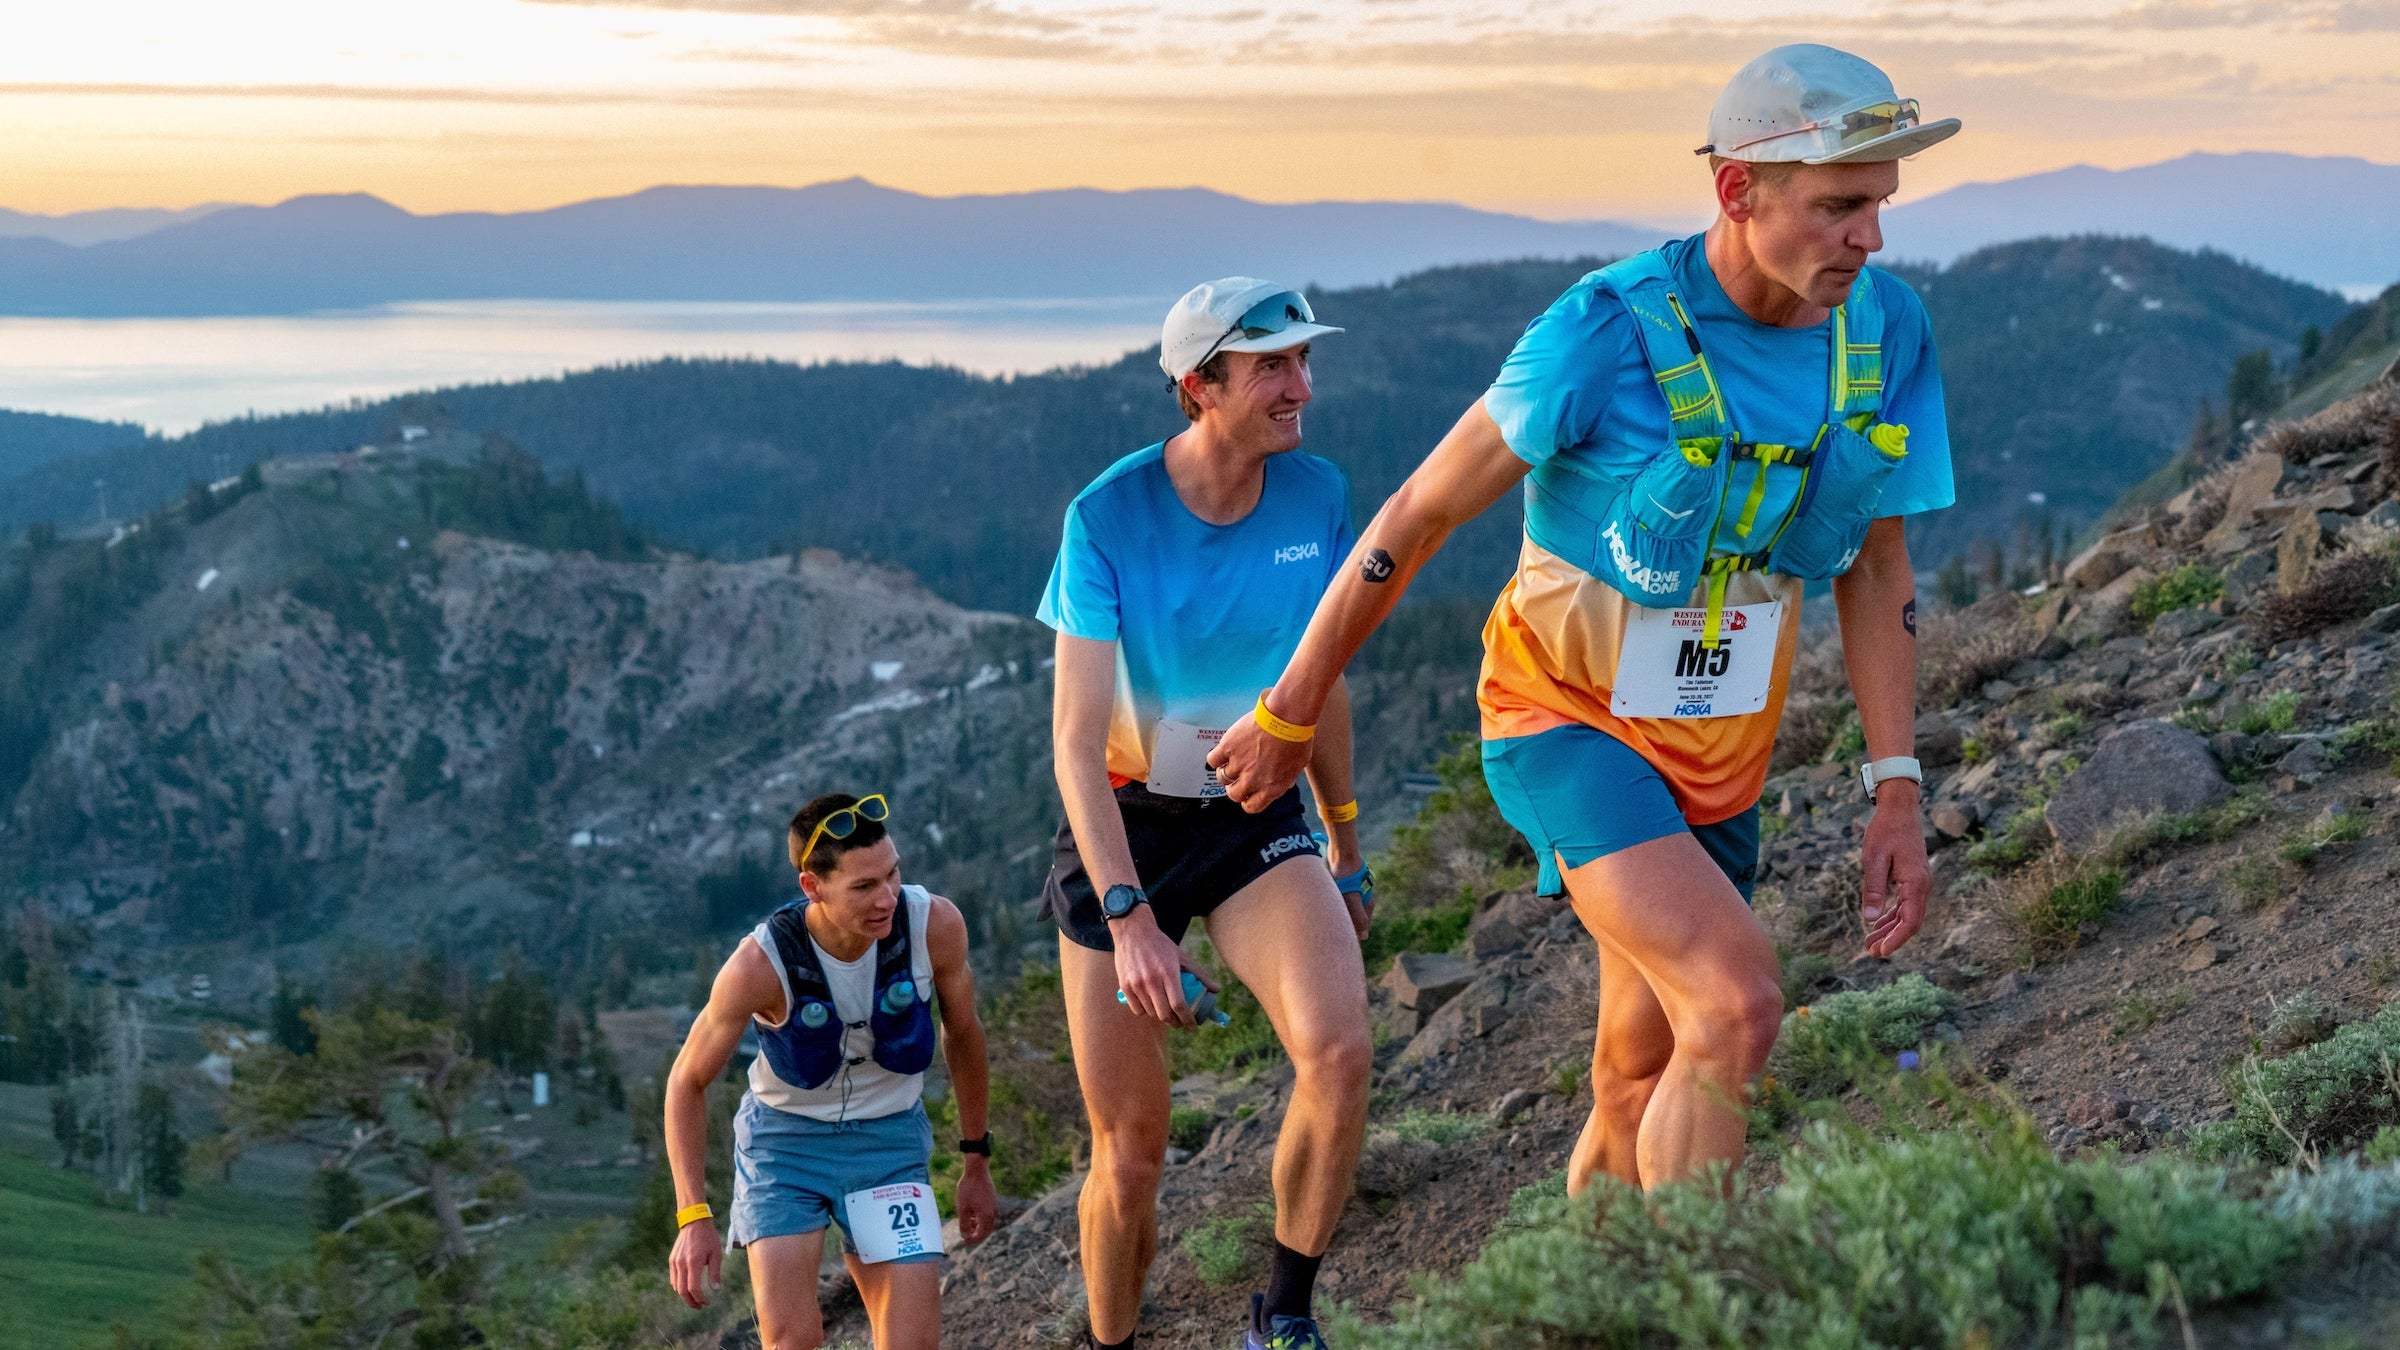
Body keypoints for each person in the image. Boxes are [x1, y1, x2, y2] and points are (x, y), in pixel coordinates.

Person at [1210, 44, 1958, 1199]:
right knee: (1738, 1000)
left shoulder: (1887, 331)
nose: (1871, 240)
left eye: (1879, 208)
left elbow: (1877, 563)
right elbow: (1416, 514)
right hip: (1562, 719)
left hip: (1720, 749)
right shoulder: (1603, 334)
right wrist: (1291, 710)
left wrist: (1895, 784)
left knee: (1637, 1068)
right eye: (1840, 208)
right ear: (1736, 192)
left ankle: (1584, 1294)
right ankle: (1692, 1308)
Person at [1039, 277, 1375, 1349]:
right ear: (1199, 386)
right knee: (1131, 1153)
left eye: (1303, 362)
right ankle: (1114, 1342)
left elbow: (1320, 685)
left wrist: (1348, 839)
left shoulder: (1317, 493)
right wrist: (1129, 918)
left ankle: (1282, 1313)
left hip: (1250, 811)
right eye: (1272, 366)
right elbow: (1075, 747)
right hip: (1127, 826)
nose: (1301, 386)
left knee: (1339, 1052)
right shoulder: (1106, 516)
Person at [664, 791, 999, 1350]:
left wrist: (976, 1160)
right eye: (864, 886)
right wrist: (692, 1214)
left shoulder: (934, 925)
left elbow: (963, 1034)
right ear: (812, 887)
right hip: (784, 1147)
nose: (887, 897)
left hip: (888, 1143)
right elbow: (686, 1081)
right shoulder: (759, 964)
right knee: (793, 1341)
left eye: (892, 875)